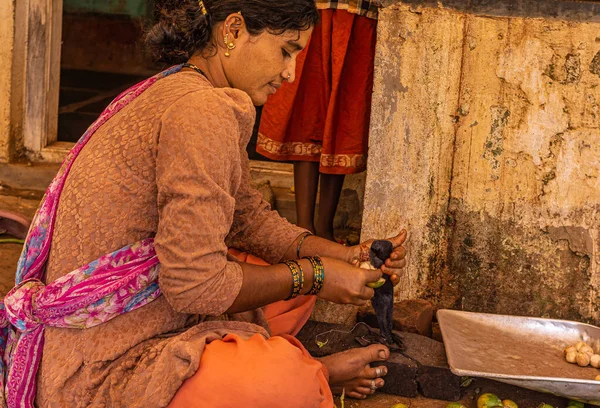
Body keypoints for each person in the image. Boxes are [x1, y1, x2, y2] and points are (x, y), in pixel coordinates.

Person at [0, 1, 407, 407]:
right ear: (232, 30)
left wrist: (344, 256)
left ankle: (293, 362)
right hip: (98, 363)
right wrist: (316, 274)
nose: (290, 73)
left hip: (135, 316)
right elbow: (195, 286)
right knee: (281, 380)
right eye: (286, 50)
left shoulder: (185, 87)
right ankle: (318, 374)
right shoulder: (202, 108)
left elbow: (245, 218)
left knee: (288, 283)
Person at [256, 0, 380, 241]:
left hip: (357, 11)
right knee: (307, 110)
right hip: (310, 9)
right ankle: (304, 228)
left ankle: (324, 228)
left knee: (342, 115)